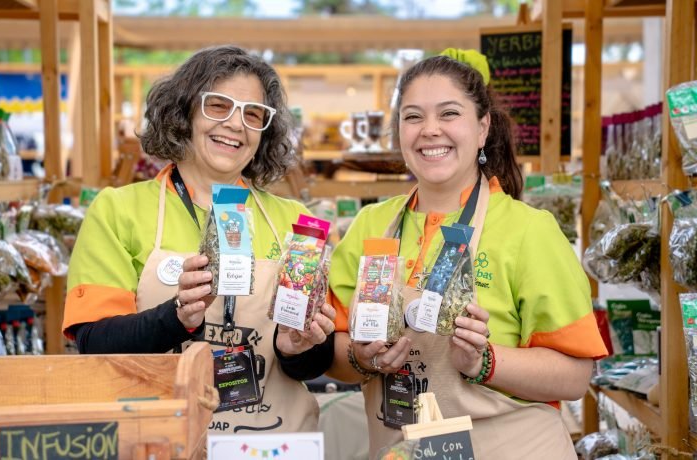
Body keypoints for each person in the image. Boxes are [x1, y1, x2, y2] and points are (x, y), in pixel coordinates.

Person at [316, 49, 606, 458]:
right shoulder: (369, 226)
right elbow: (332, 352)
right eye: (413, 117)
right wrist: (363, 358)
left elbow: (575, 376)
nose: (430, 130)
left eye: (449, 114)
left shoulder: (529, 231)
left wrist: (485, 362)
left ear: (483, 127)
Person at [62, 45, 336, 434]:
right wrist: (174, 316)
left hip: (269, 446)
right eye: (219, 106)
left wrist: (298, 346)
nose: (236, 125)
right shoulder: (120, 210)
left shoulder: (295, 222)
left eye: (252, 114)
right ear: (183, 112)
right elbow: (94, 341)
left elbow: (307, 367)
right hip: (158, 443)